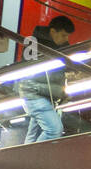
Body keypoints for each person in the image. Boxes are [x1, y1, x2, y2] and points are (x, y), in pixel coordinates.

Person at [19, 15, 75, 143]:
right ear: (53, 31)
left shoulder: (64, 45)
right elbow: (31, 72)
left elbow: (64, 69)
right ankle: (34, 158)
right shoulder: (33, 42)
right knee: (54, 130)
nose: (66, 39)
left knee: (33, 134)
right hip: (34, 94)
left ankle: (27, 159)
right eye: (63, 35)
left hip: (48, 94)